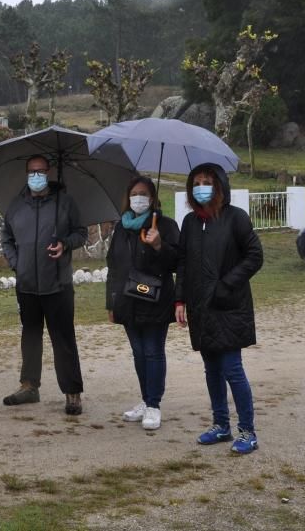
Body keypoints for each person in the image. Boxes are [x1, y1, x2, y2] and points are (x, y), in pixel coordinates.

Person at [175, 162, 263, 454]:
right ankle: (221, 425)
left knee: (231, 369)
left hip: (228, 306)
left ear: (220, 186)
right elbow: (183, 264)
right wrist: (180, 300)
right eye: (196, 182)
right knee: (211, 369)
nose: (202, 187)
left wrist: (226, 284)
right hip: (200, 308)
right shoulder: (189, 223)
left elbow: (254, 256)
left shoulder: (235, 218)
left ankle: (247, 431)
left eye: (207, 182)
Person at [0, 155, 86, 415]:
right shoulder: (16, 205)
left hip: (58, 283)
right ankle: (29, 386)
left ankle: (72, 393)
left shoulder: (65, 202)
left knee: (63, 338)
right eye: (31, 171)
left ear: (48, 173)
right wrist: (17, 263)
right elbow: (6, 238)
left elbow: (80, 233)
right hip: (27, 284)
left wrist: (65, 243)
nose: (36, 175)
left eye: (40, 171)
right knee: (30, 335)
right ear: (26, 173)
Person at [105, 176, 180, 431]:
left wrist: (158, 245)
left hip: (155, 299)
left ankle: (154, 405)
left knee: (153, 351)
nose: (139, 198)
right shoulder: (122, 227)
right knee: (138, 354)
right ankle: (146, 399)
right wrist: (111, 303)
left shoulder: (165, 225)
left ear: (152, 197)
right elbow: (113, 265)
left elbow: (178, 262)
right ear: (128, 197)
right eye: (134, 193)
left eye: (144, 194)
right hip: (127, 300)